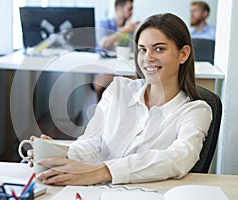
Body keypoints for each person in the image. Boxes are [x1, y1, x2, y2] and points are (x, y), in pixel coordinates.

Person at [27, 13, 212, 185]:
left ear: (183, 54)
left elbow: (179, 158)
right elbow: (94, 142)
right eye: (142, 50)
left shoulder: (196, 111)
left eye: (159, 49)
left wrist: (102, 171)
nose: (148, 58)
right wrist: (62, 155)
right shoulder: (118, 90)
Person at [93, 0, 139, 102]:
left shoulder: (131, 28)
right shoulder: (104, 24)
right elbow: (103, 44)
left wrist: (137, 32)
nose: (131, 12)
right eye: (129, 9)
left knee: (138, 81)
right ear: (118, 8)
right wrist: (124, 30)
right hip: (105, 71)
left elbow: (132, 52)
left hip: (124, 69)